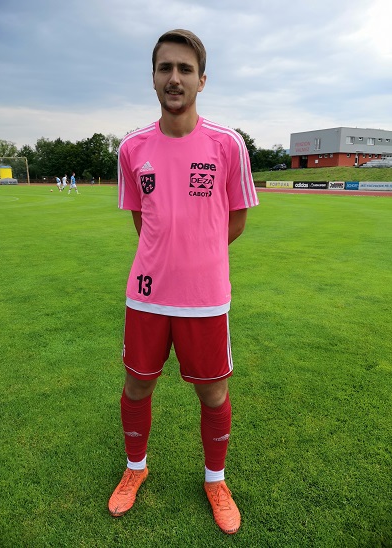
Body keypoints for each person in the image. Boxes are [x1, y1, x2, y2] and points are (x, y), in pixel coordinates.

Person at [109, 29, 259, 535]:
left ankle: (216, 480)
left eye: (185, 69)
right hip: (147, 296)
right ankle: (135, 469)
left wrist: (198, 258)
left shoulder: (227, 144)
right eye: (165, 68)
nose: (174, 78)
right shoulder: (132, 148)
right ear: (153, 77)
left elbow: (235, 221)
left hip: (205, 299)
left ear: (202, 80)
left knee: (213, 395)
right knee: (137, 384)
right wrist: (167, 258)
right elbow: (143, 223)